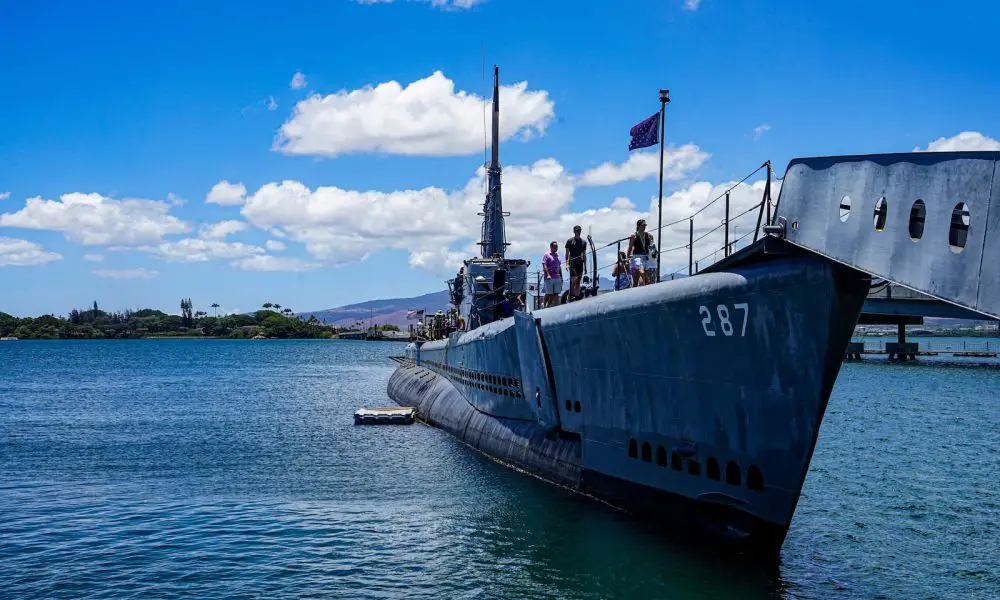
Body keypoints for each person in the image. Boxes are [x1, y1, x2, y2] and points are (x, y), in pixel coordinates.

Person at [627, 219, 654, 287]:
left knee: (636, 281)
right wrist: (628, 258)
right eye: (643, 225)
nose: (644, 227)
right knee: (642, 272)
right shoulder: (634, 236)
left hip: (646, 257)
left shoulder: (649, 236)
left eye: (645, 225)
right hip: (637, 257)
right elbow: (630, 247)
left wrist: (653, 256)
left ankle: (637, 291)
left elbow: (652, 247)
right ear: (638, 226)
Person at [565, 225, 587, 301]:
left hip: (580, 263)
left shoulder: (584, 242)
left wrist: (585, 266)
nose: (579, 232)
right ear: (574, 231)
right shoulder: (570, 241)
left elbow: (584, 255)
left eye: (580, 230)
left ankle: (576, 296)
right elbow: (567, 254)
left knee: (578, 281)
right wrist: (567, 264)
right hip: (572, 263)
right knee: (574, 279)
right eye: (577, 230)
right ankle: (570, 296)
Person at [541, 241, 562, 308]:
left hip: (557, 277)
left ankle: (548, 305)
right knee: (549, 293)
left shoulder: (557, 256)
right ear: (551, 247)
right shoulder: (547, 254)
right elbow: (544, 264)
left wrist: (561, 276)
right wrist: (547, 274)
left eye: (557, 247)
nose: (556, 248)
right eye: (555, 247)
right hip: (549, 277)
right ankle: (544, 304)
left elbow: (559, 266)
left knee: (556, 293)